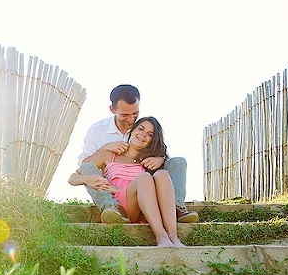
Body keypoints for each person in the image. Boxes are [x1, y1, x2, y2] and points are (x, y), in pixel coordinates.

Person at [68, 84, 198, 224]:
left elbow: (157, 147)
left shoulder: (142, 128)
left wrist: (161, 159)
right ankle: (112, 207)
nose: (131, 120)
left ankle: (176, 207)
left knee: (178, 161)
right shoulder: (97, 131)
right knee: (88, 168)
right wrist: (105, 148)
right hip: (108, 186)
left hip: (142, 185)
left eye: (135, 114)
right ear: (113, 109)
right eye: (125, 115)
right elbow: (84, 166)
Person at [79, 117, 184, 247]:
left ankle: (173, 237)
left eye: (150, 135)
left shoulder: (149, 162)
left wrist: (161, 159)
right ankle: (161, 236)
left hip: (145, 205)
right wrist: (87, 179)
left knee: (162, 174)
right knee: (144, 178)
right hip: (122, 204)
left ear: (153, 140)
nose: (143, 135)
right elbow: (78, 173)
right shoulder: (110, 155)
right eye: (141, 129)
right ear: (132, 130)